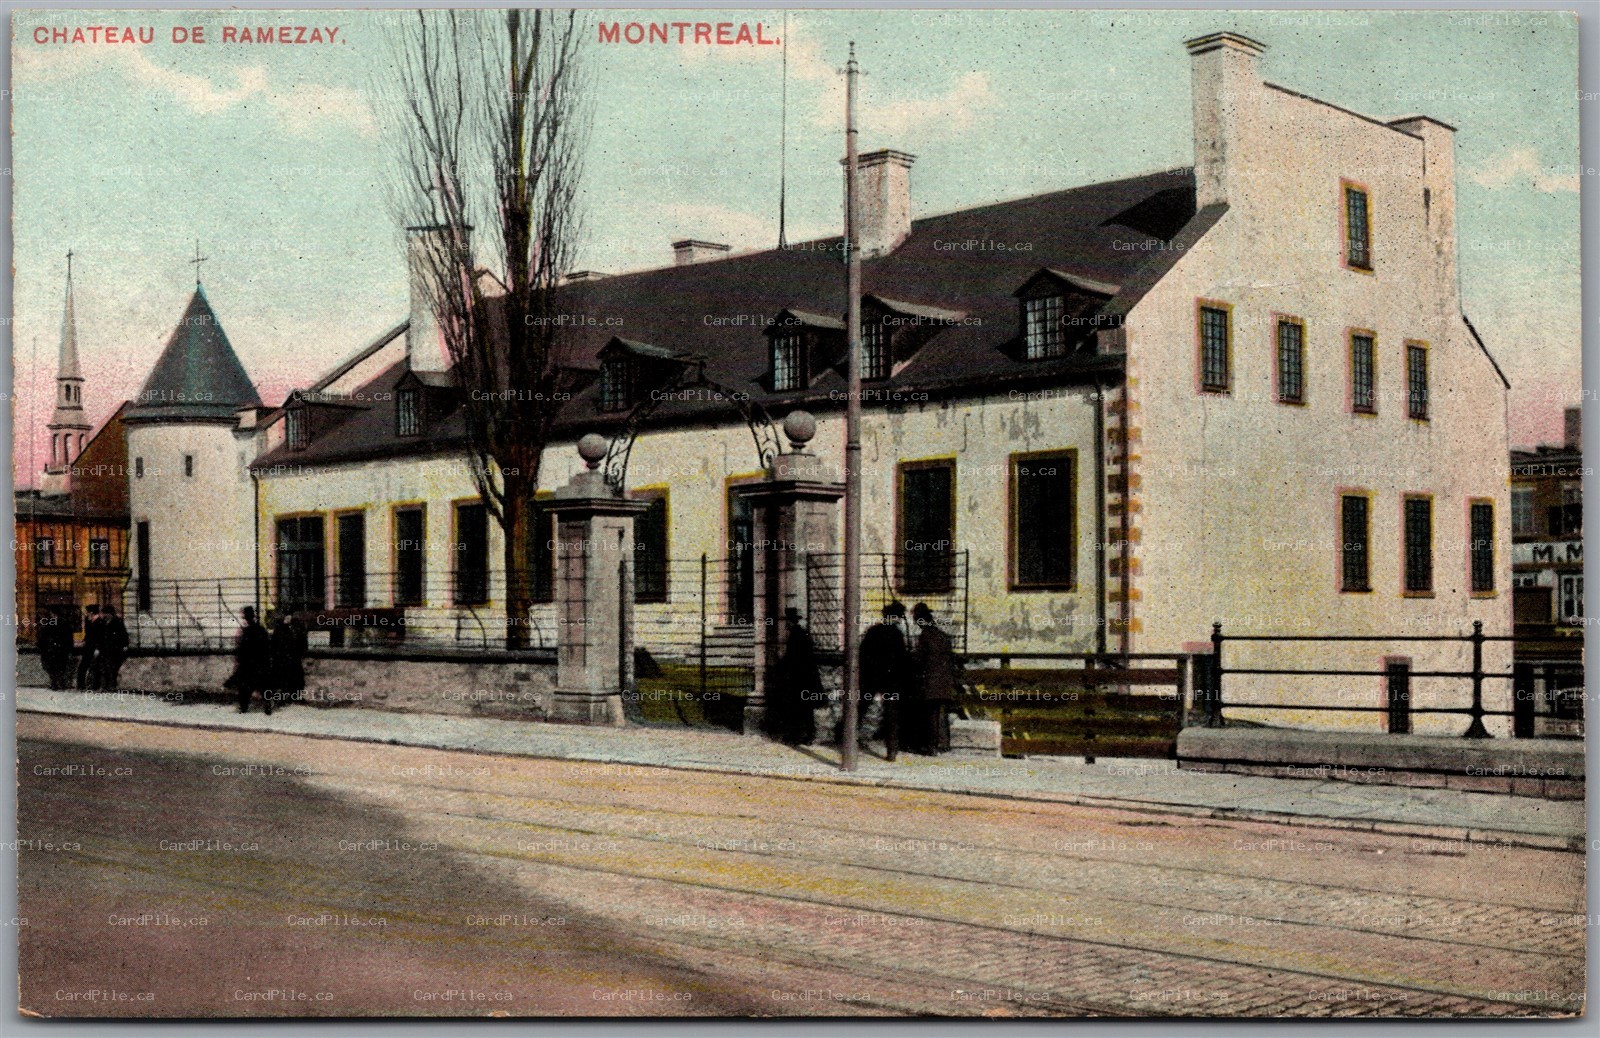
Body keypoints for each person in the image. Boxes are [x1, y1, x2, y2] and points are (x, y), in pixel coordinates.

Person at [858, 601, 911, 761]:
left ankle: (847, 739)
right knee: (892, 714)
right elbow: (901, 659)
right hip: (891, 680)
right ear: (896, 617)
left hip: (871, 676)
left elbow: (862, 654)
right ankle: (892, 751)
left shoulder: (873, 631)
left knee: (861, 708)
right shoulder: (897, 634)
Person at [763, 609, 821, 746]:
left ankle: (799, 735)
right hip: (805, 677)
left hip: (800, 678)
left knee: (798, 707)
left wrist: (779, 666)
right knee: (805, 707)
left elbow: (792, 657)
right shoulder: (801, 633)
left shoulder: (796, 635)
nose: (785, 625)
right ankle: (807, 735)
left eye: (786, 622)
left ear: (790, 621)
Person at [911, 603, 960, 755]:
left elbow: (920, 660)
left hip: (930, 682)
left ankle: (932, 747)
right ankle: (943, 744)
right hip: (945, 681)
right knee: (941, 713)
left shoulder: (925, 636)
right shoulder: (943, 636)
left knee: (930, 715)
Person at [227, 606, 273, 714]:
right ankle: (267, 706)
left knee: (245, 687)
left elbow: (242, 649)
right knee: (263, 686)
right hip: (260, 662)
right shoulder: (261, 630)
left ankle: (244, 707)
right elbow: (267, 646)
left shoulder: (246, 631)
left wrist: (238, 660)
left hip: (249, 664)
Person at [269, 613, 308, 710]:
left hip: (292, 656)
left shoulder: (296, 627)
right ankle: (284, 698)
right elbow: (275, 643)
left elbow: (302, 641)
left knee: (296, 677)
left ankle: (293, 696)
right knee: (285, 679)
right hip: (285, 658)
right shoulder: (281, 628)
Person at [37, 608, 72, 690]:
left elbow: (44, 637)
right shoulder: (65, 624)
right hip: (62, 650)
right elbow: (69, 638)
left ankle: (55, 684)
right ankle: (61, 683)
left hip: (52, 649)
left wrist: (41, 646)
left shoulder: (50, 624)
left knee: (52, 668)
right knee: (61, 668)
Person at [97, 605, 130, 691]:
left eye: (105, 613)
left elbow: (123, 634)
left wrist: (125, 645)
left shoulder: (118, 622)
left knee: (112, 668)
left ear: (110, 614)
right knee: (104, 668)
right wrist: (98, 647)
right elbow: (100, 636)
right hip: (104, 649)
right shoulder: (102, 622)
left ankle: (112, 685)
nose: (104, 615)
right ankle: (104, 686)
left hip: (115, 649)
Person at [76, 604, 102, 690]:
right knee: (83, 666)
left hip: (94, 648)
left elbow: (100, 637)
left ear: (91, 612)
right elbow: (88, 635)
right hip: (88, 648)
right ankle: (82, 685)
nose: (86, 614)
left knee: (94, 667)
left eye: (87, 612)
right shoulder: (89, 621)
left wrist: (97, 648)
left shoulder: (99, 622)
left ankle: (94, 686)